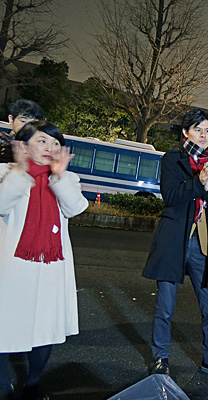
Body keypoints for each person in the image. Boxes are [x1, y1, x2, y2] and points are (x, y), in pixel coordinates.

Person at [142, 109, 208, 382]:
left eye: (207, 130)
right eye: (198, 129)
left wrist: (207, 186)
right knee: (165, 307)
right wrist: (197, 182)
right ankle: (160, 357)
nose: (204, 135)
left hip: (204, 244)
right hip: (174, 240)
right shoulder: (173, 159)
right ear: (186, 132)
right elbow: (170, 195)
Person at [0, 121, 88, 400]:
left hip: (51, 267)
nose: (50, 147)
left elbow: (75, 208)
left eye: (55, 143)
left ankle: (33, 383)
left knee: (45, 328)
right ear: (24, 146)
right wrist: (20, 172)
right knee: (5, 323)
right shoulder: (6, 173)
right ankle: (3, 383)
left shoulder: (67, 178)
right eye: (42, 141)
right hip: (14, 265)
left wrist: (59, 178)